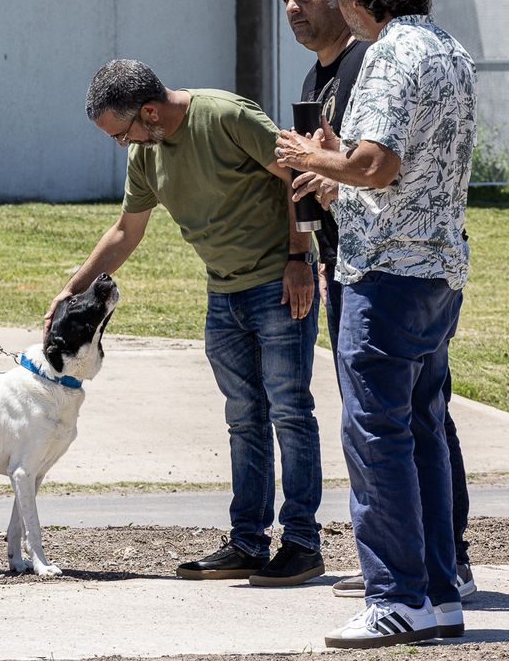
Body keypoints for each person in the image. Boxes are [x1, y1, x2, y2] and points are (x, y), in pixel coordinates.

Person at [275, 0, 477, 649]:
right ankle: (438, 593)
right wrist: (342, 176)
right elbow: (406, 173)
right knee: (421, 427)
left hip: (384, 275)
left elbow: (375, 165)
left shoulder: (389, 56)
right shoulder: (448, 48)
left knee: (376, 436)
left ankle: (397, 598)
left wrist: (311, 157)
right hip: (437, 270)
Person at [47, 60, 324, 587]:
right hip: (224, 291)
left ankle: (303, 544)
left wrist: (298, 257)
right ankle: (247, 543)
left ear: (149, 111)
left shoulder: (225, 116)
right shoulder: (146, 151)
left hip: (278, 282)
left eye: (120, 132)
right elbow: (126, 231)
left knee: (289, 410)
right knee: (244, 416)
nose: (120, 144)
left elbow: (298, 177)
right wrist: (73, 288)